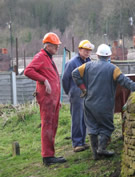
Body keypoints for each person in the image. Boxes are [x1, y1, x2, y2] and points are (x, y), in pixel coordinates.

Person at [72, 44, 135, 160]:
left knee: (92, 127)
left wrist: (83, 88)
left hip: (89, 103)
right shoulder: (113, 69)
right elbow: (126, 82)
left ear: (97, 55)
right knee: (107, 127)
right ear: (109, 56)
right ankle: (102, 148)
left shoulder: (87, 66)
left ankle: (95, 154)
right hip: (104, 105)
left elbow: (74, 73)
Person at [24, 32, 66, 166]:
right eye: (55, 46)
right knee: (47, 125)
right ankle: (47, 157)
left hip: (53, 100)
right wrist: (44, 80)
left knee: (52, 125)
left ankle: (50, 154)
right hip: (47, 99)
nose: (57, 48)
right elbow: (28, 71)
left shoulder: (48, 57)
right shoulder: (41, 56)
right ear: (48, 46)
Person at [62, 40, 95, 152]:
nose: (87, 52)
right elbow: (65, 79)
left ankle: (82, 141)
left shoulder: (89, 61)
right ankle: (76, 143)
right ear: (79, 50)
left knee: (84, 118)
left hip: (86, 92)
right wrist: (70, 92)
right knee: (77, 117)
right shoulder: (72, 63)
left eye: (89, 50)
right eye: (85, 50)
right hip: (76, 92)